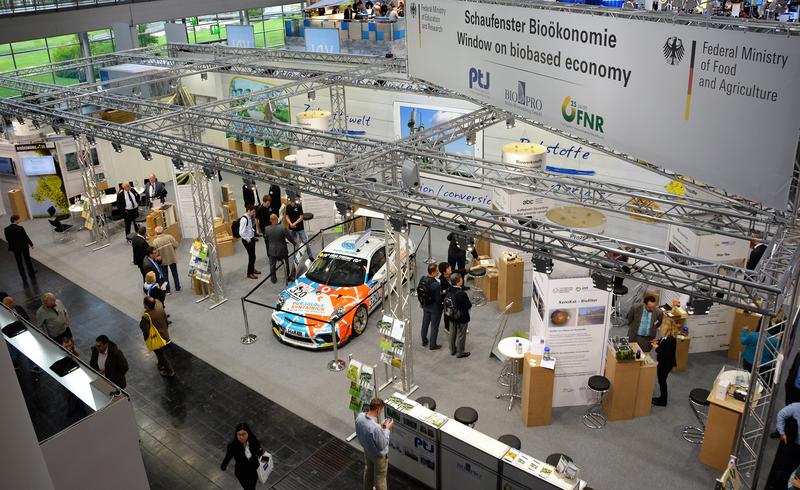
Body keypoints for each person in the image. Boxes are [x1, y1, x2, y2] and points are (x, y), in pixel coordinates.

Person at [355, 398, 393, 490]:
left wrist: (381, 428)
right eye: (381, 410)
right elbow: (382, 445)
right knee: (380, 478)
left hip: (367, 451)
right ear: (378, 409)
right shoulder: (376, 428)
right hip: (378, 457)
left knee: (369, 470)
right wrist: (387, 429)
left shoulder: (359, 417)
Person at [764, 402, 800, 489]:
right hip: (791, 444)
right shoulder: (797, 407)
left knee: (793, 471)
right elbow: (781, 414)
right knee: (782, 468)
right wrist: (782, 433)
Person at [221, 422, 264, 490]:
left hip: (253, 469)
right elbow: (228, 457)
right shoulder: (232, 445)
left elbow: (259, 451)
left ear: (248, 433)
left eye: (244, 434)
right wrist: (224, 466)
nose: (241, 437)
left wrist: (261, 454)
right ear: (236, 434)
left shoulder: (253, 440)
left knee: (252, 486)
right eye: (239, 434)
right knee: (248, 488)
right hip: (241, 472)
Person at [140, 296, 174, 377]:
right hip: (165, 334)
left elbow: (146, 331)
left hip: (156, 338)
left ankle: (169, 371)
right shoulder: (160, 308)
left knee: (160, 354)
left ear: (146, 305)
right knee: (161, 353)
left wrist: (147, 339)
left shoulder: (146, 316)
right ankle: (160, 364)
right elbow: (166, 321)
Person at [263, 214, 297, 285]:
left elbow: (266, 239)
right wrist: (294, 243)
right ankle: (287, 276)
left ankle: (273, 278)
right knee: (286, 263)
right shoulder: (282, 228)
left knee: (272, 265)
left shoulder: (266, 229)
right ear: (277, 219)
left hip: (272, 250)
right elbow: (289, 238)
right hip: (282, 250)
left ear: (270, 220)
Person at [445, 273, 472, 358]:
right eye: (461, 279)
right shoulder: (461, 293)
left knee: (452, 333)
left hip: (451, 315)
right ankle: (460, 352)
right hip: (461, 317)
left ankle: (452, 349)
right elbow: (468, 305)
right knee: (461, 334)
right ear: (458, 282)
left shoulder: (449, 289)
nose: (462, 279)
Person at [651, 321, 677, 406]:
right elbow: (663, 343)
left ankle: (663, 401)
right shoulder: (666, 336)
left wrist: (657, 347)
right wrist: (658, 342)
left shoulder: (671, 339)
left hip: (665, 364)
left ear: (667, 327)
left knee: (662, 381)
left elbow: (666, 353)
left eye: (663, 325)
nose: (661, 327)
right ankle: (662, 398)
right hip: (663, 362)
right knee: (661, 380)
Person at [417, 263, 442, 350]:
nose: (438, 272)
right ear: (433, 273)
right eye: (437, 271)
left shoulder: (422, 278)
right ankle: (433, 345)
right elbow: (438, 299)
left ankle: (424, 341)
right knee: (434, 326)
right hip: (434, 308)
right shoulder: (436, 285)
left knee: (425, 323)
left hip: (425, 305)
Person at [4, 214, 35, 284]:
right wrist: (31, 244)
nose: (19, 220)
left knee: (19, 262)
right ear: (15, 220)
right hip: (24, 247)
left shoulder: (6, 229)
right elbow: (25, 237)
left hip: (15, 248)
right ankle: (31, 273)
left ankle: (23, 276)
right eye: (18, 219)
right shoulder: (20, 228)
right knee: (27, 260)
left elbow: (8, 239)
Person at [152, 226, 181, 292]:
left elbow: (155, 253)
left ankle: (167, 290)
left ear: (156, 233)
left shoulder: (155, 242)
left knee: (165, 276)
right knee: (175, 273)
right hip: (172, 258)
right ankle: (177, 287)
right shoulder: (169, 237)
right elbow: (176, 245)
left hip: (162, 261)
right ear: (163, 231)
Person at [240, 205, 260, 279]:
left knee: (253, 256)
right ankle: (249, 273)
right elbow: (241, 232)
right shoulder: (244, 219)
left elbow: (249, 228)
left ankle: (252, 269)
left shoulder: (249, 217)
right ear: (249, 210)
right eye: (253, 211)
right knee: (251, 257)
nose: (254, 213)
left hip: (251, 238)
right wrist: (248, 239)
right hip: (247, 240)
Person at [438, 262, 452, 334]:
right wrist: (447, 290)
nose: (450, 268)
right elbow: (440, 292)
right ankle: (447, 328)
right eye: (448, 268)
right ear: (444, 271)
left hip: (452, 297)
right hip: (446, 299)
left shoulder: (451, 275)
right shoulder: (440, 280)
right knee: (447, 313)